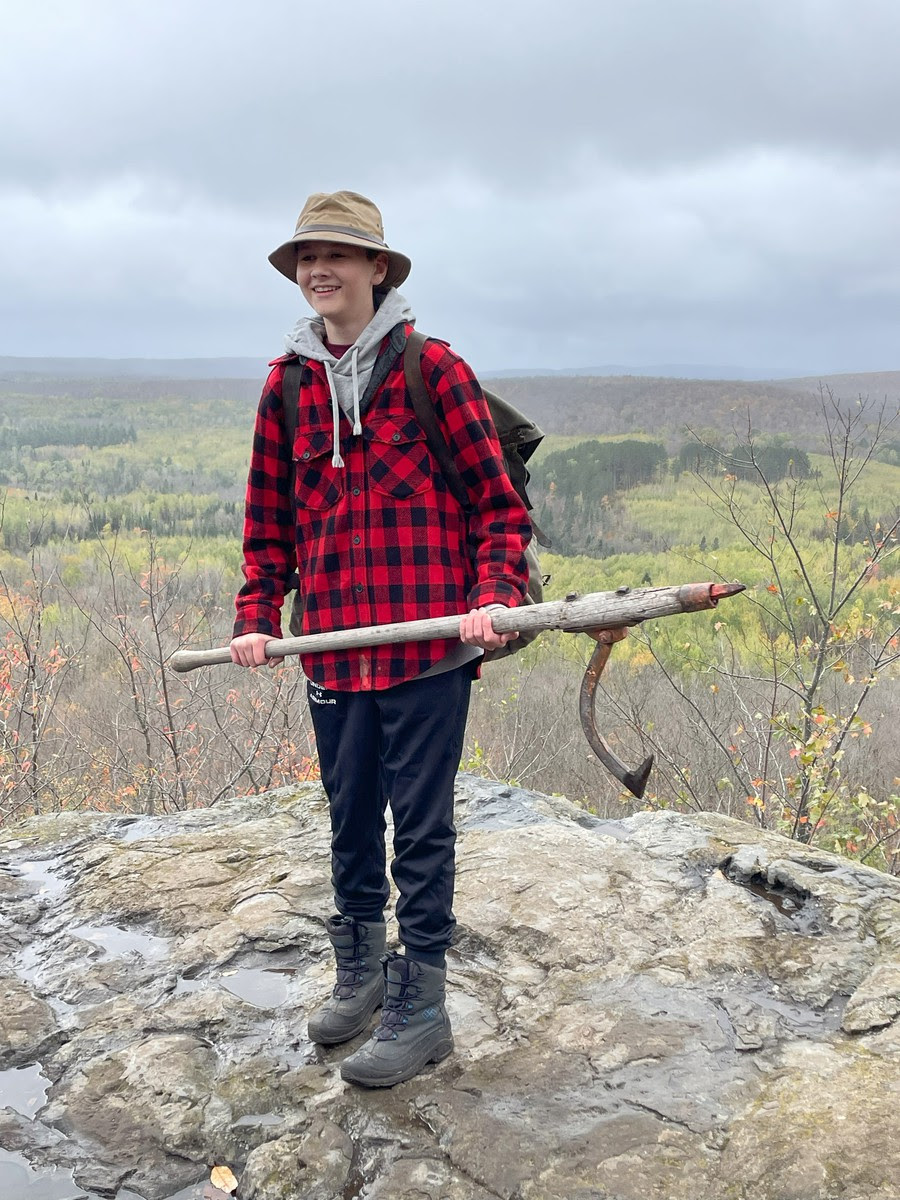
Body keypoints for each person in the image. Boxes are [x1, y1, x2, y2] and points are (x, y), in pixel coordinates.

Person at [230, 191, 532, 1087]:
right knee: (350, 817)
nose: (319, 270)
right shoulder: (285, 386)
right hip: (328, 645)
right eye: (306, 259)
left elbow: (498, 507)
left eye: (338, 256)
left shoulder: (434, 370)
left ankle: (423, 1003)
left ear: (376, 269)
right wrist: (257, 614)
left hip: (429, 645)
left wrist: (495, 594)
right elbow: (267, 523)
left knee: (422, 827)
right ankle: (360, 973)